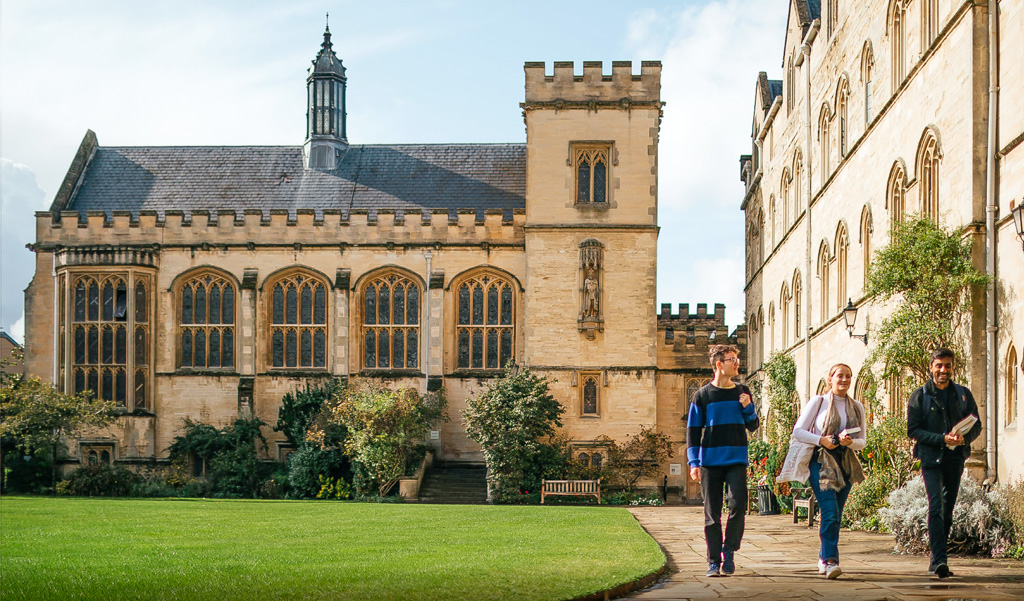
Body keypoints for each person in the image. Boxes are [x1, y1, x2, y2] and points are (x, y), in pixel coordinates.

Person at [782, 364, 866, 579]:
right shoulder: (818, 402)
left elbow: (862, 441)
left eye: (848, 376)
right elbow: (798, 431)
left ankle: (822, 556)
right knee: (830, 512)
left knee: (836, 514)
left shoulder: (857, 406)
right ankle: (831, 560)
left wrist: (849, 442)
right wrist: (822, 440)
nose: (844, 380)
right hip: (820, 461)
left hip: (845, 462)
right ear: (830, 379)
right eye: (840, 376)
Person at [907, 348, 981, 578]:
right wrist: (941, 439)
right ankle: (940, 561)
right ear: (931, 367)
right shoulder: (919, 396)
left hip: (954, 458)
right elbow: (913, 430)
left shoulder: (963, 394)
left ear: (952, 368)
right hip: (931, 459)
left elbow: (976, 424)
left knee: (948, 511)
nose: (943, 370)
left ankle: (936, 558)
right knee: (936, 507)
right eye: (939, 365)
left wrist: (963, 439)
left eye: (947, 366)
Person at [687, 344, 759, 577]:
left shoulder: (742, 391)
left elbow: (754, 425)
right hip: (710, 462)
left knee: (738, 506)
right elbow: (693, 431)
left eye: (737, 358)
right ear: (719, 364)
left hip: (736, 459)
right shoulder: (702, 396)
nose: (737, 362)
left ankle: (729, 551)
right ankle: (713, 561)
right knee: (712, 513)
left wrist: (747, 407)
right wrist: (693, 462)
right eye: (732, 359)